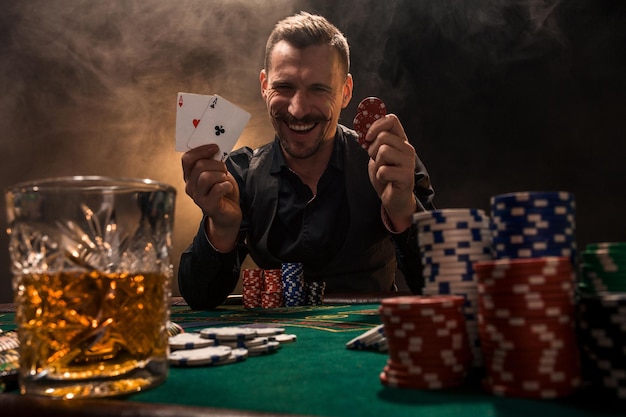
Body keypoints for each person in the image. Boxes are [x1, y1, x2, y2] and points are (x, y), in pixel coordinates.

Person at [178, 12, 434, 310]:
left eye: (319, 89)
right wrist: (221, 228)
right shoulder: (238, 174)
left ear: (345, 92)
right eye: (284, 87)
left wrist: (403, 212)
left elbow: (439, 287)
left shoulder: (391, 165)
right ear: (264, 86)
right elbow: (199, 297)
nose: (298, 110)